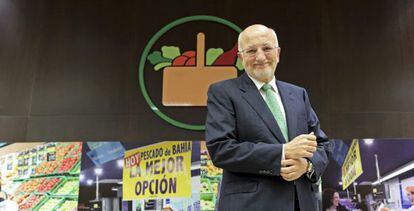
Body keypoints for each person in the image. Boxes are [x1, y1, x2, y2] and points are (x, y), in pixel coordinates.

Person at [205, 24, 331, 211]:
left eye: (266, 48)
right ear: (241, 57)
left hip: (302, 204)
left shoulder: (298, 94)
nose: (260, 57)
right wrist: (283, 151)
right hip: (250, 205)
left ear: (278, 53)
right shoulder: (223, 92)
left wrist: (306, 167)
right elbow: (221, 148)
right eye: (251, 51)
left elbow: (322, 144)